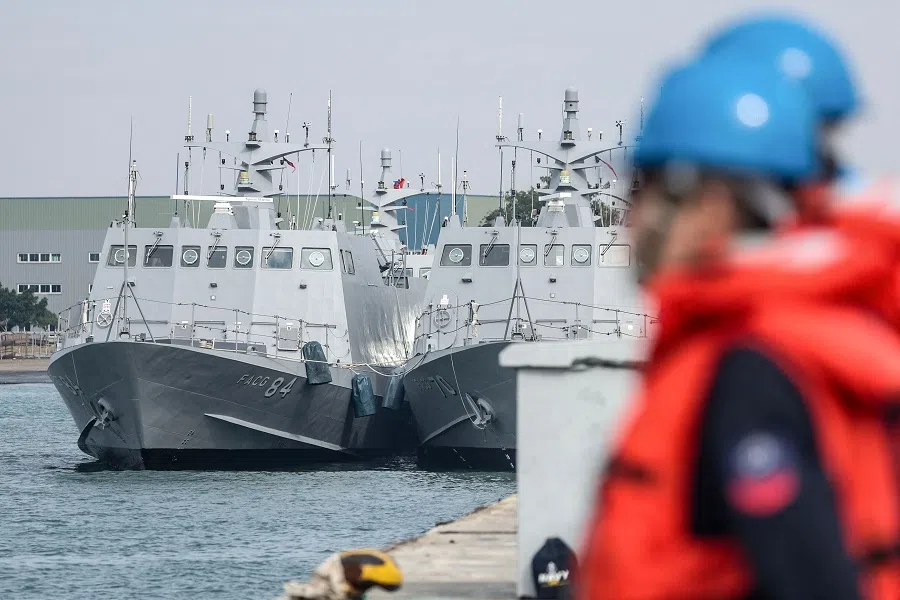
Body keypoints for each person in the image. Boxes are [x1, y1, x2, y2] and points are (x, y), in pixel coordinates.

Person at [576, 49, 900, 600]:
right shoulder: (788, 326)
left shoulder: (749, 367)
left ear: (703, 199)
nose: (629, 221)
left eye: (642, 192)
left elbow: (809, 574)